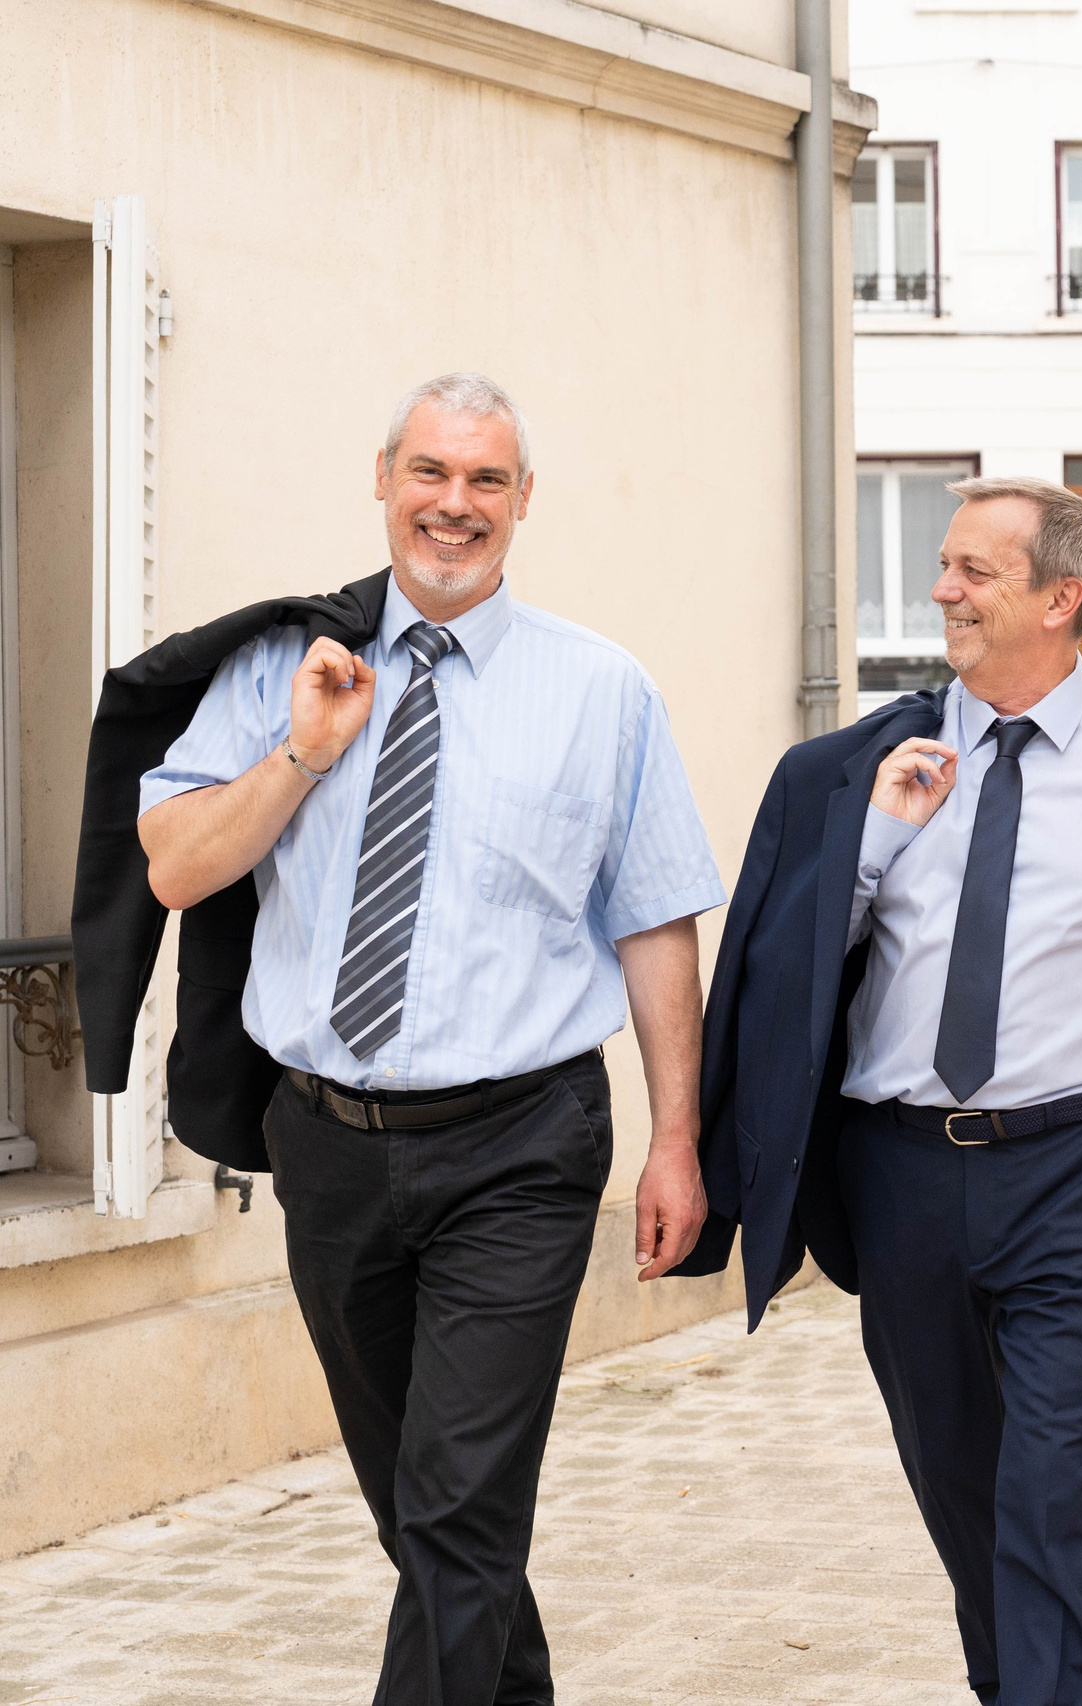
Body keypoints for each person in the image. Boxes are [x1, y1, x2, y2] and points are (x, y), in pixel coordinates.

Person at [136, 373, 725, 1706]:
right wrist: (299, 753)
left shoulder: (601, 689)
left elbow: (653, 925)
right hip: (329, 1146)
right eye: (431, 474)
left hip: (522, 1140)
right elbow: (173, 864)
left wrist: (676, 1140)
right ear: (385, 479)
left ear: (522, 503)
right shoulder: (282, 668)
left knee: (458, 1509)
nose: (453, 506)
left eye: (487, 481)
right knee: (429, 1510)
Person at [678, 475, 1082, 1706]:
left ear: (1061, 600)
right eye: (944, 566)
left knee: (1047, 1482)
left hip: (1080, 1167)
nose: (940, 589)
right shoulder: (860, 767)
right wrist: (878, 843)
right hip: (898, 1171)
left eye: (971, 572)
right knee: (958, 1477)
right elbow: (784, 971)